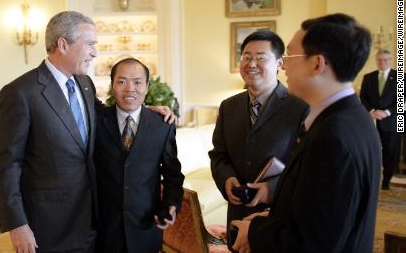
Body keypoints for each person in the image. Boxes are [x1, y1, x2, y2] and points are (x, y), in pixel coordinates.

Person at [0, 11, 173, 253]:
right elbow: (5, 166)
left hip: (93, 218)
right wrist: (17, 224)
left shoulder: (84, 84)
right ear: (63, 45)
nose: (95, 52)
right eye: (89, 44)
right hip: (49, 223)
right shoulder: (20, 93)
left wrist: (141, 110)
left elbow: (104, 114)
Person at [231, 13, 382, 253]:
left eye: (290, 55)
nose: (284, 64)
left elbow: (313, 243)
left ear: (317, 64)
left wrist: (255, 230)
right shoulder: (352, 117)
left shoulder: (333, 137)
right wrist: (271, 217)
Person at [209, 30, 308, 249]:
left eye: (261, 57)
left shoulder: (300, 106)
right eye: (246, 57)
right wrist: (226, 179)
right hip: (237, 213)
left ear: (280, 63)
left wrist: (271, 189)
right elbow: (218, 155)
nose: (251, 63)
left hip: (277, 216)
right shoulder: (229, 106)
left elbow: (305, 166)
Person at [94, 58, 185, 253]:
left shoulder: (162, 125)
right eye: (121, 81)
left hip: (146, 227)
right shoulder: (95, 122)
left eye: (137, 82)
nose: (130, 89)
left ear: (147, 86)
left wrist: (171, 205)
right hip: (103, 229)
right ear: (112, 85)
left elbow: (173, 175)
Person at [360, 49, 399, 190]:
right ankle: (372, 179)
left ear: (391, 60)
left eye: (386, 60)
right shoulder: (368, 77)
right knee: (371, 151)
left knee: (390, 152)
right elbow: (363, 97)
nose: (383, 62)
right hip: (371, 122)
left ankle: (386, 182)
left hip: (391, 122)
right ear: (376, 61)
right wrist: (372, 111)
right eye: (380, 60)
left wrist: (387, 112)